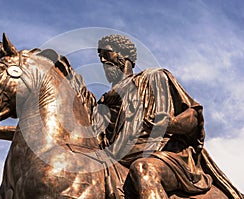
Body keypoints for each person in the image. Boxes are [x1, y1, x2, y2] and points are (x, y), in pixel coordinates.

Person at [93, 34, 242, 198]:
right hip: (116, 160)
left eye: (106, 53)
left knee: (144, 170)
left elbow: (193, 116)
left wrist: (170, 123)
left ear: (124, 55)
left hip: (163, 155)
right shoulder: (104, 103)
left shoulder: (154, 77)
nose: (102, 59)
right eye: (99, 56)